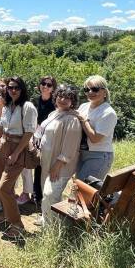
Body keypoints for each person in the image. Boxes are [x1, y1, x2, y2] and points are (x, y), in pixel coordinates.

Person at [0, 76, 38, 239]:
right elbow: (1, 127)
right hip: (2, 146)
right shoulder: (7, 105)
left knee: (4, 187)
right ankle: (6, 214)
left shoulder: (27, 107)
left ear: (22, 89)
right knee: (5, 185)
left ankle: (17, 225)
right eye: (10, 87)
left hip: (17, 148)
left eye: (16, 88)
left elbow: (29, 132)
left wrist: (16, 153)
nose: (13, 90)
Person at [34, 85, 81, 225]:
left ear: (73, 101)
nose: (63, 100)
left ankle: (52, 226)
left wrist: (58, 165)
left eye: (67, 98)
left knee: (50, 193)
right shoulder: (53, 114)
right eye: (60, 96)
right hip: (46, 161)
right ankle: (46, 219)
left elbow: (70, 147)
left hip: (59, 165)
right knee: (46, 191)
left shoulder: (72, 119)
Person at [18, 76, 57, 206]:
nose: (45, 86)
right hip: (33, 137)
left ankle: (40, 197)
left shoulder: (55, 103)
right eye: (43, 83)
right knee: (32, 164)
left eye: (49, 85)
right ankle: (34, 194)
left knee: (42, 168)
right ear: (39, 85)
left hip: (49, 139)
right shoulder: (34, 100)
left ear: (53, 88)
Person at [76, 75, 117, 181]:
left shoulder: (108, 113)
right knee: (79, 185)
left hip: (98, 155)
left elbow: (95, 139)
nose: (90, 92)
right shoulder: (83, 106)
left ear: (105, 92)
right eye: (87, 89)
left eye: (95, 89)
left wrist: (84, 121)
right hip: (82, 153)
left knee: (84, 187)